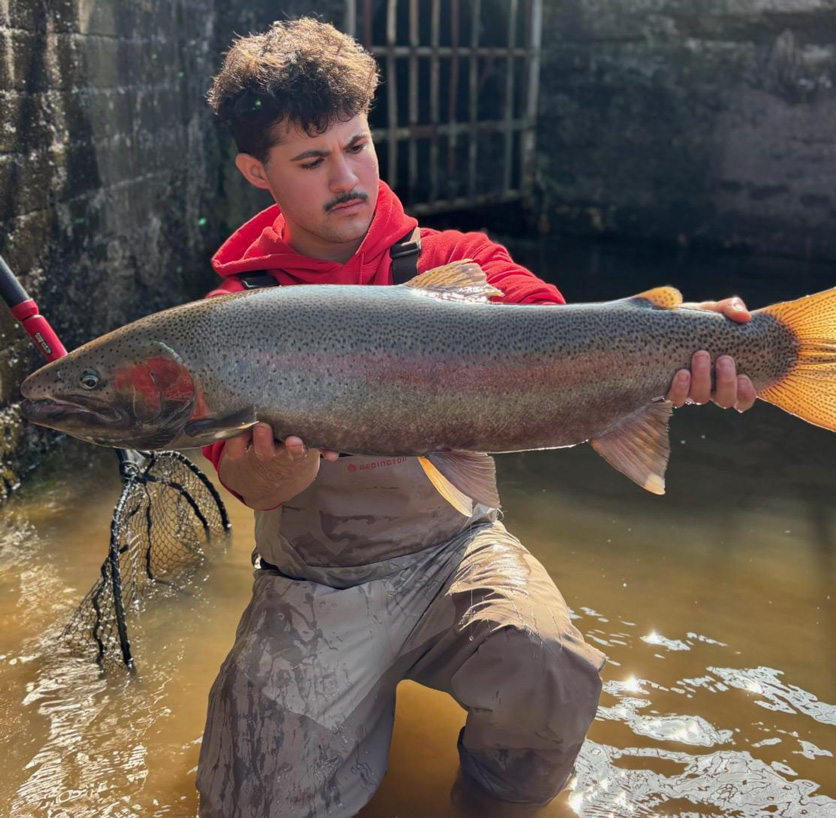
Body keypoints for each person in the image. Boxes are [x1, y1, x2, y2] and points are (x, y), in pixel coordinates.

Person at [196, 17, 757, 818]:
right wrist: (282, 458)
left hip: (455, 553)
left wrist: (687, 347)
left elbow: (562, 334)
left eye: (357, 145)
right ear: (258, 170)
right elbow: (248, 485)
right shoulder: (235, 317)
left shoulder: (459, 260)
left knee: (555, 666)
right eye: (312, 161)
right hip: (315, 582)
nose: (347, 176)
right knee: (249, 806)